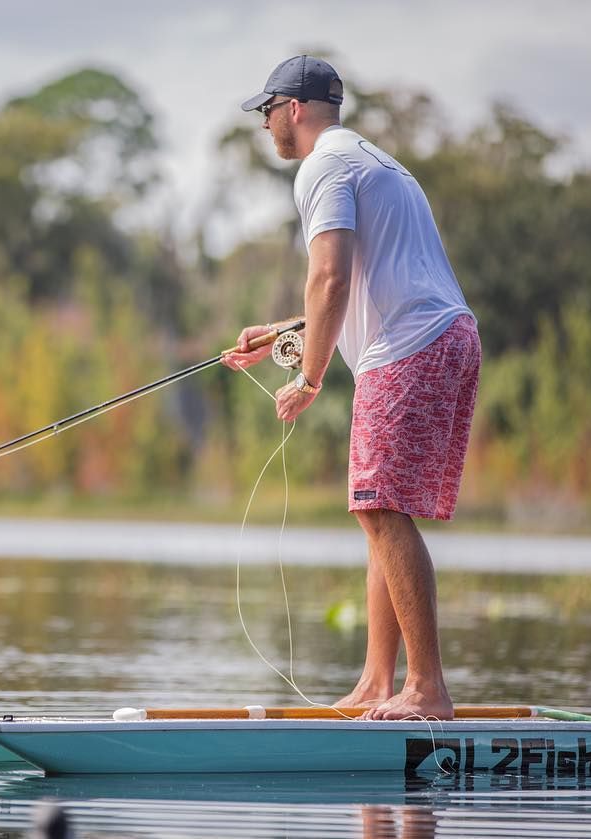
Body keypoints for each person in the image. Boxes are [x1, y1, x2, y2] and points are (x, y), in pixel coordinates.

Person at [221, 56, 481, 721]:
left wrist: (308, 377)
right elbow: (366, 283)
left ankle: (426, 688)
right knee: (381, 510)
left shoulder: (323, 167)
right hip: (446, 337)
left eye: (267, 110)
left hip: (409, 348)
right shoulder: (374, 161)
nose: (266, 123)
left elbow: (330, 278)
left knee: (379, 507)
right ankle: (376, 682)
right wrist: (280, 331)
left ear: (295, 108)